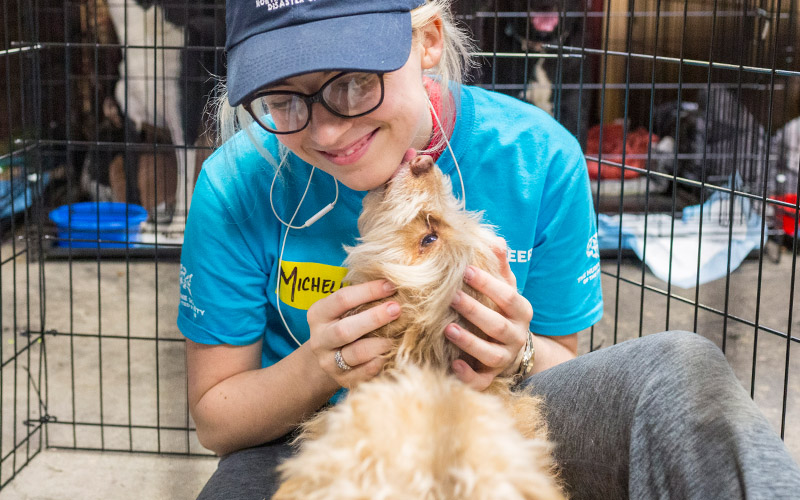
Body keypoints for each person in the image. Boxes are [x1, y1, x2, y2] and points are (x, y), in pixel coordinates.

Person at [177, 1, 800, 498]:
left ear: (426, 41)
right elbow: (217, 418)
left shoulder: (540, 159)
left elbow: (565, 371)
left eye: (353, 84)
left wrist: (520, 352)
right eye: (283, 100)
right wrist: (319, 365)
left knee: (680, 369)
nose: (329, 129)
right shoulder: (236, 184)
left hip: (499, 415)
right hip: (318, 435)